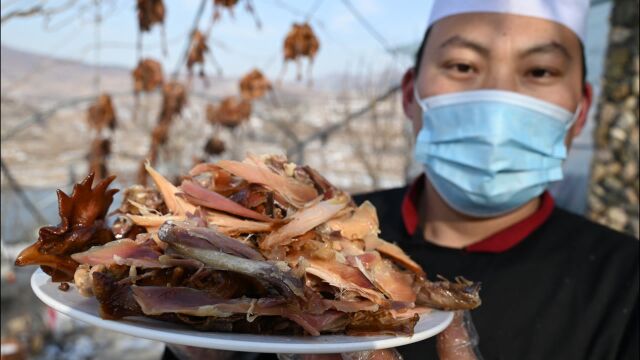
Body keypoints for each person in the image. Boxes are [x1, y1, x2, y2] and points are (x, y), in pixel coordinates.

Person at [163, 0, 639, 359]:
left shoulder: (625, 284)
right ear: (411, 95)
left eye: (539, 71)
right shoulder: (303, 239)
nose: (497, 98)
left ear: (581, 112)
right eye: (462, 66)